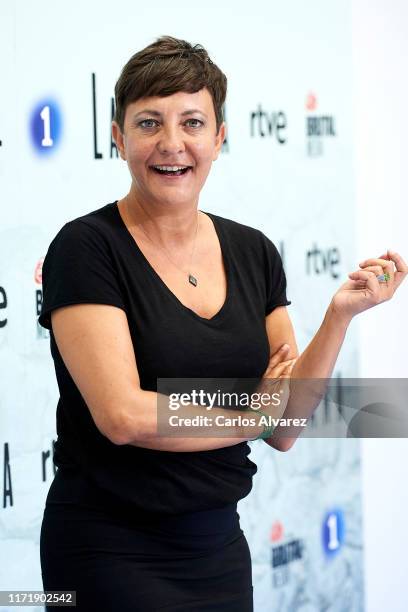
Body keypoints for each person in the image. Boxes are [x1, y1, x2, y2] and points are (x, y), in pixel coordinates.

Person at [38, 35, 407, 611]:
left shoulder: (254, 252)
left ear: (220, 138)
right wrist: (253, 410)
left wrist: (339, 317)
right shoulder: (86, 248)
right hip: (107, 549)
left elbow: (286, 429)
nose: (172, 144)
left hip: (218, 548)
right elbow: (124, 415)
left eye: (191, 122)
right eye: (148, 123)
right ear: (117, 138)